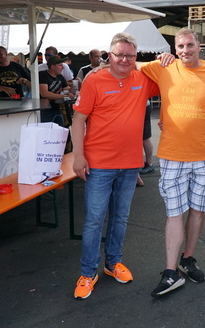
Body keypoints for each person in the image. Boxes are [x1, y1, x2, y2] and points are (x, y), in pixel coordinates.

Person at [71, 32, 159, 300]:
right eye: (119, 54)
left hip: (130, 164)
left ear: (136, 58)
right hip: (99, 164)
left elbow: (171, 76)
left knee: (120, 218)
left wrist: (164, 58)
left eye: (130, 56)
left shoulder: (142, 79)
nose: (124, 60)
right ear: (109, 55)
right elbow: (77, 121)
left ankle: (112, 264)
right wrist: (78, 156)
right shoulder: (94, 80)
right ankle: (88, 273)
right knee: (94, 222)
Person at [140, 28, 205, 297]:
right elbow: (126, 63)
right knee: (174, 213)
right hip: (173, 155)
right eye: (180, 46)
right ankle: (170, 271)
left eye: (189, 45)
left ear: (200, 45)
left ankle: (188, 258)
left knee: (198, 211)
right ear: (174, 49)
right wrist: (98, 69)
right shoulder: (163, 67)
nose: (185, 50)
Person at [38, 55, 70, 126]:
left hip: (56, 109)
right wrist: (64, 96)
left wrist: (77, 86)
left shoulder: (60, 76)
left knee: (60, 130)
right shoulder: (43, 75)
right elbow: (44, 93)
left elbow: (67, 88)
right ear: (52, 67)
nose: (63, 67)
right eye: (60, 65)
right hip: (45, 110)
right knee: (47, 132)